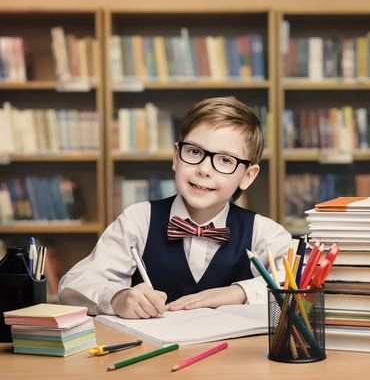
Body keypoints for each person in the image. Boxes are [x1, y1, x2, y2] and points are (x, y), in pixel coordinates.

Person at [58, 96, 292, 318]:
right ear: (176, 156)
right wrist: (118, 297)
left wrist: (240, 292)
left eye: (225, 160)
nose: (204, 169)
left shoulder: (265, 233)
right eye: (194, 152)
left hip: (235, 357)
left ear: (248, 176)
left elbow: (300, 284)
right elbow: (73, 285)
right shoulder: (139, 220)